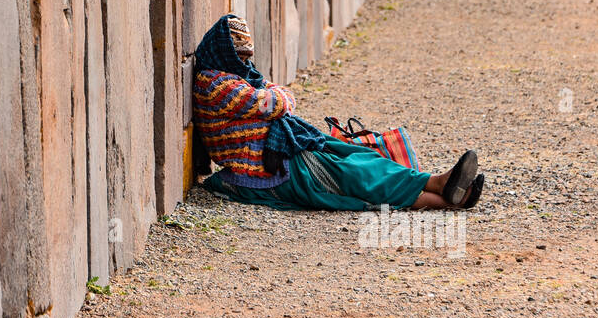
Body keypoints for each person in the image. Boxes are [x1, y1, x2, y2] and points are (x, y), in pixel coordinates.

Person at [192, 14, 483, 212]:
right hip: (265, 166)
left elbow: (276, 97)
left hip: (281, 150)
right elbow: (274, 102)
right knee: (351, 175)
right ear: (224, 52)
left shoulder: (234, 77)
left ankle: (444, 190)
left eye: (246, 57)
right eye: (240, 57)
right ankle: (445, 193)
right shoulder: (215, 83)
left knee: (358, 158)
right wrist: (276, 95)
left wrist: (276, 95)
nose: (245, 63)